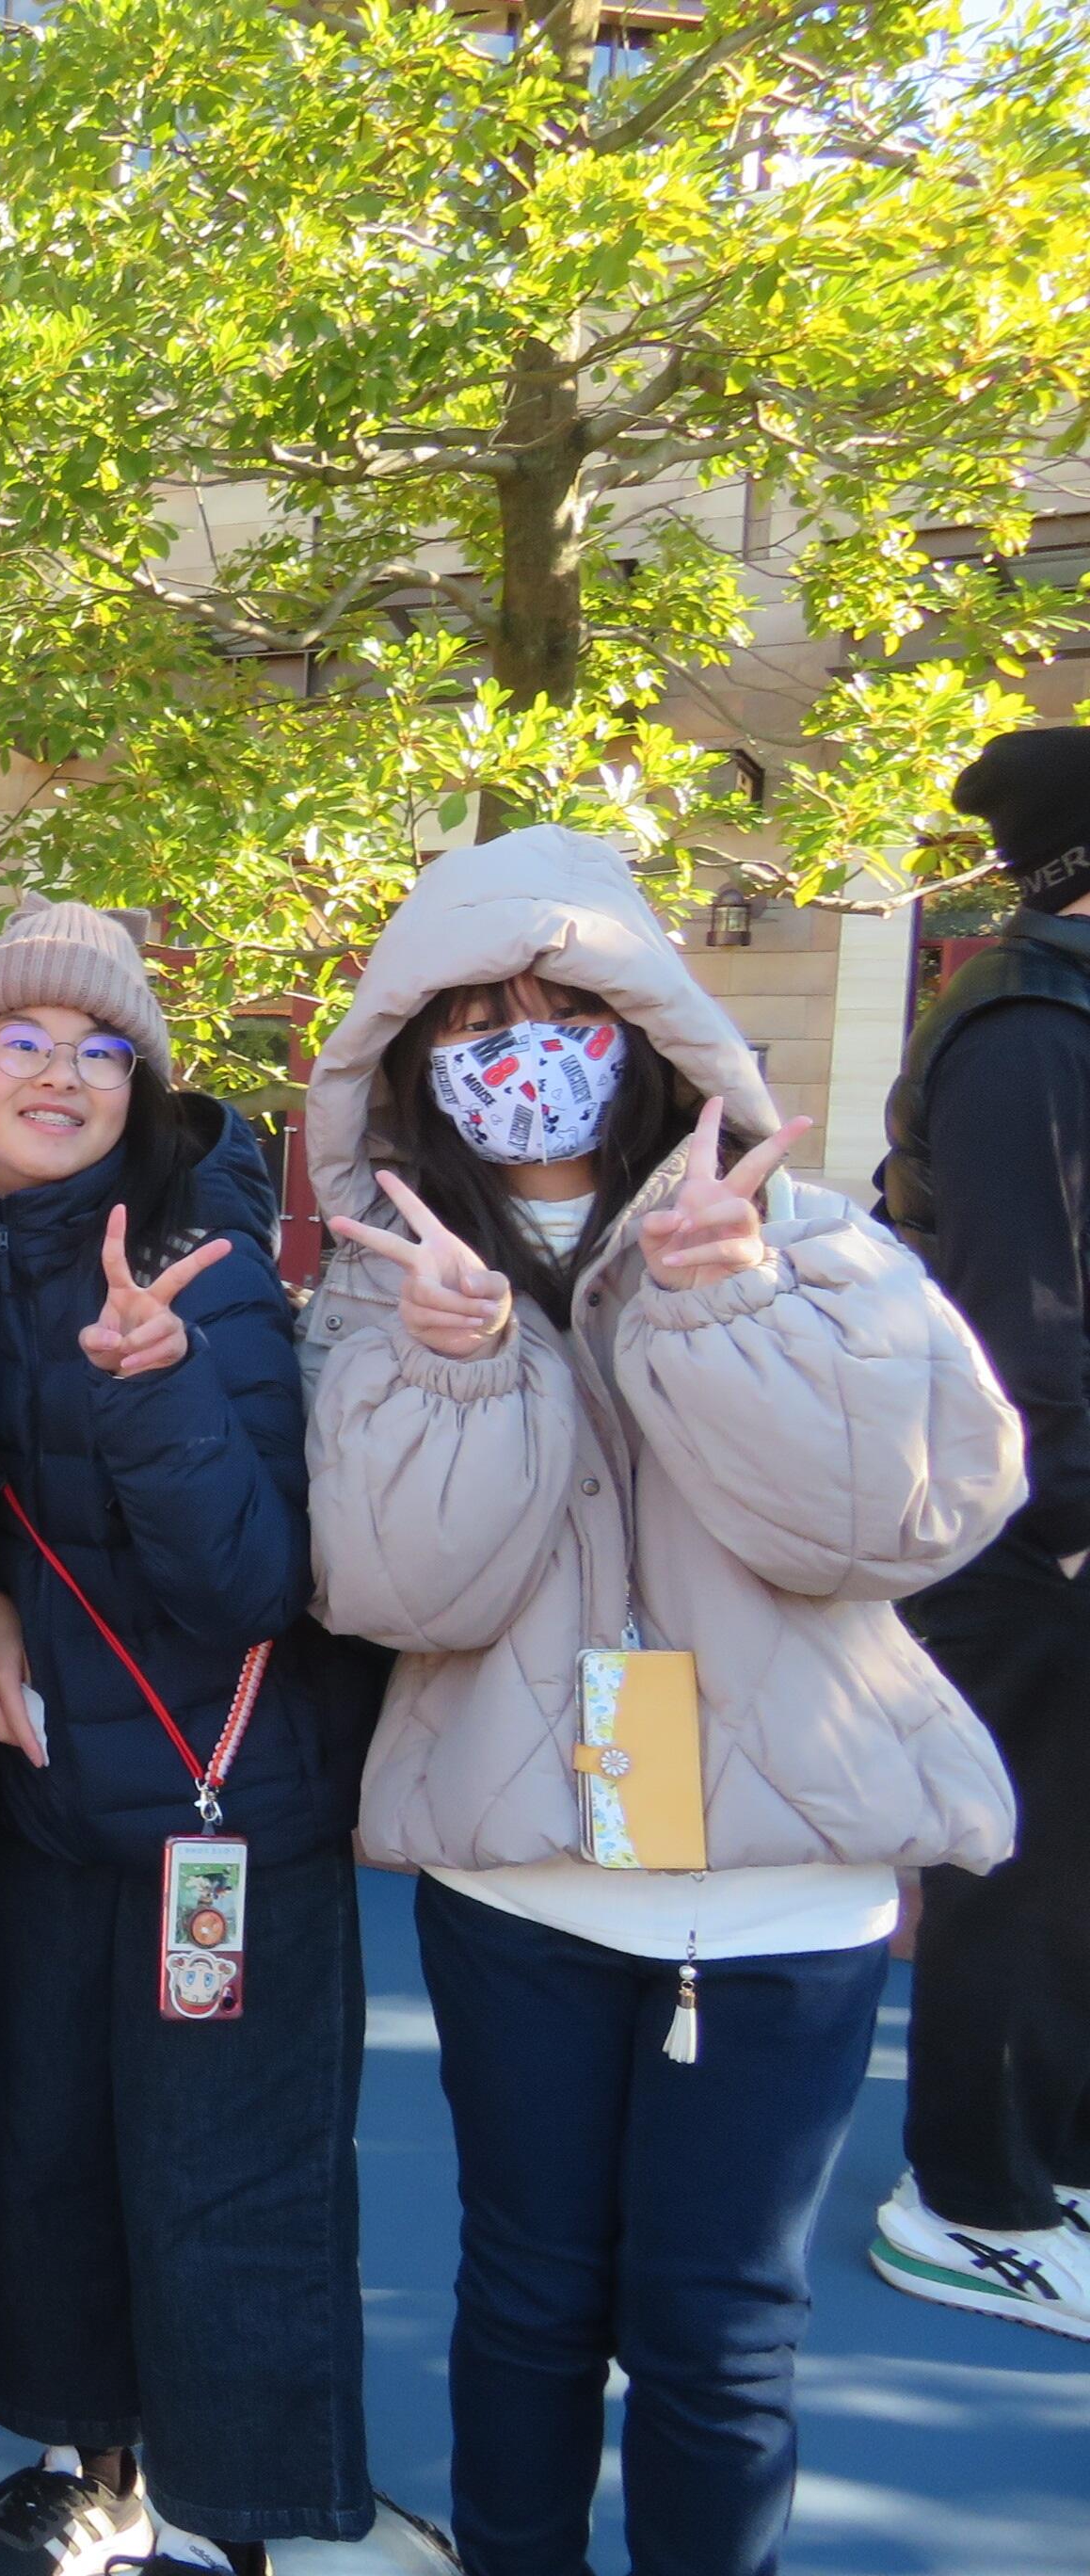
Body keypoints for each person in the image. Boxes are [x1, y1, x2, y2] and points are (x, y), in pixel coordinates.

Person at [299, 827, 1019, 2576]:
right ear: (409, 1058)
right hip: (520, 1885)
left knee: (719, 2332)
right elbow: (398, 1594)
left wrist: (725, 1310)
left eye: (564, 1009)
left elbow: (892, 1526)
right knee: (527, 2297)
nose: (521, 1051)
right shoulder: (377, 1298)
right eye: (472, 1020)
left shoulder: (815, 1244)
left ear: (649, 1027)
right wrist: (461, 1373)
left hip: (784, 1892)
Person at [0, 903, 370, 2576]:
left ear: (142, 1088)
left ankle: (217, 2519)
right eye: (20, 1040)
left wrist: (155, 1377)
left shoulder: (205, 1265)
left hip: (225, 1806)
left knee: (228, 2177)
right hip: (58, 1802)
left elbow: (248, 1582)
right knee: (49, 2152)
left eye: (100, 1050)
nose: (58, 1074)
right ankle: (86, 2466)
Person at [870, 723, 1090, 2330]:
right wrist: (1076, 1527)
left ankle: (1051, 2168)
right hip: (1036, 1541)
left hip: (1049, 1524)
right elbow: (1029, 1324)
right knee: (1023, 1876)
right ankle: (972, 2203)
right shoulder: (1022, 1026)